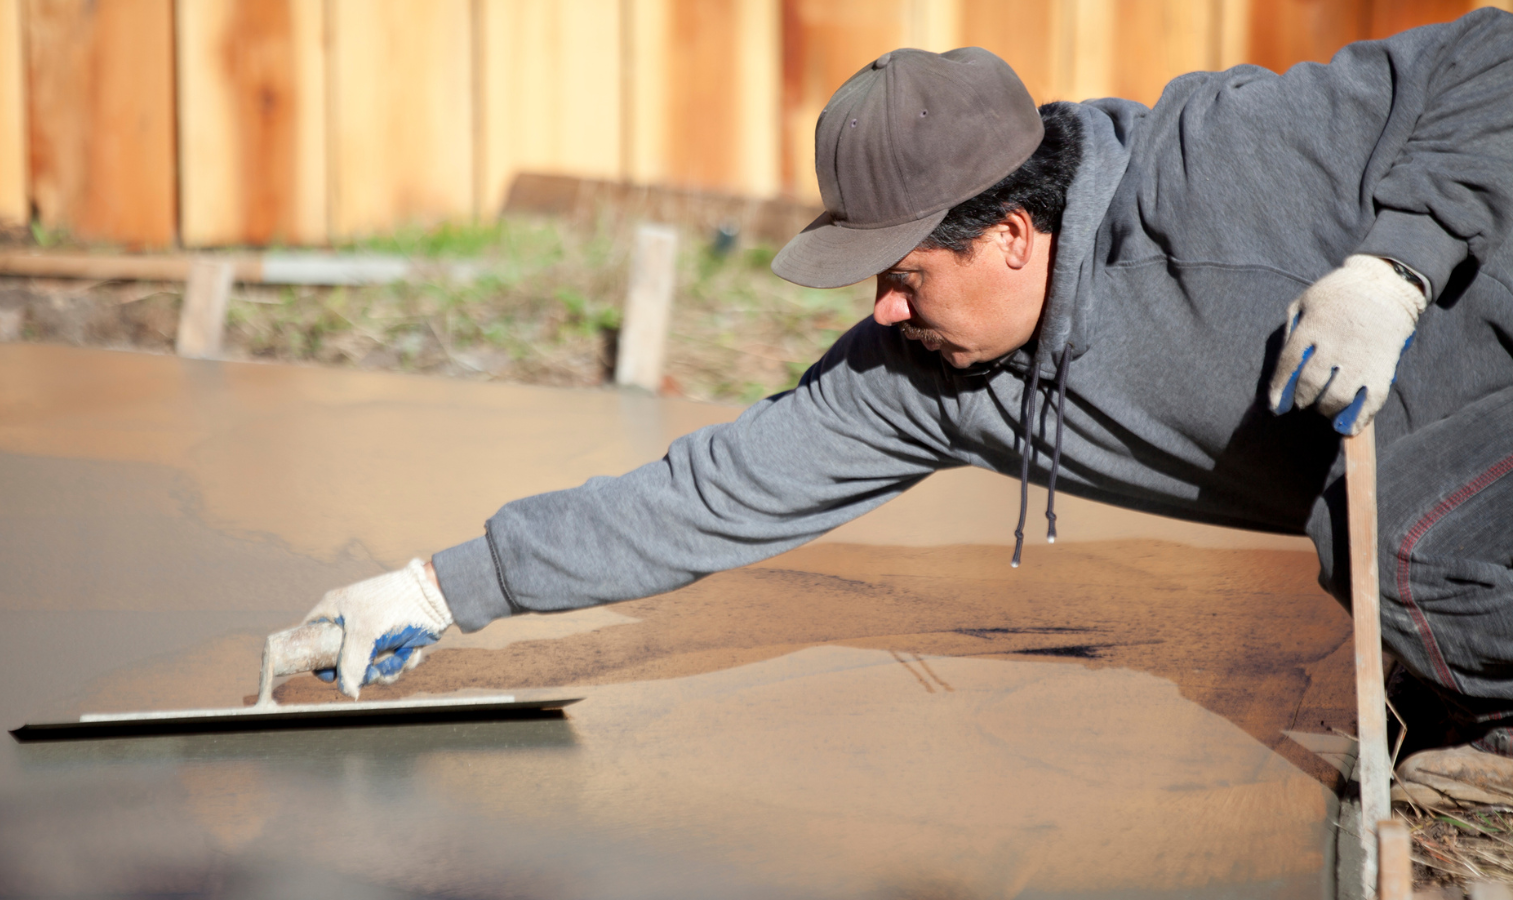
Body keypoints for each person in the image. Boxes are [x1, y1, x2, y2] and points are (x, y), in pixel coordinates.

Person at [302, 10, 1513, 806]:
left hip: (1482, 384)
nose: (880, 313)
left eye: (901, 276)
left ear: (1010, 237)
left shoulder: (1220, 158)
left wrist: (1395, 262)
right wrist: (434, 589)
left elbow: (1489, 55)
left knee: (1407, 555)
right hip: (1410, 493)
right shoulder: (932, 374)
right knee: (1394, 567)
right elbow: (711, 490)